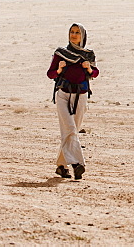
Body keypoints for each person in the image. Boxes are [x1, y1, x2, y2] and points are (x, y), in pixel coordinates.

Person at [46, 22, 99, 180]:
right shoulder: (61, 53)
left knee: (72, 131)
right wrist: (59, 70)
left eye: (77, 32)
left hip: (81, 96)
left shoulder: (88, 55)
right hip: (63, 95)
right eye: (72, 32)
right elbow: (50, 74)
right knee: (69, 128)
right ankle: (77, 164)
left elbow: (95, 73)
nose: (74, 35)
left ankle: (61, 166)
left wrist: (89, 68)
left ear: (83, 36)